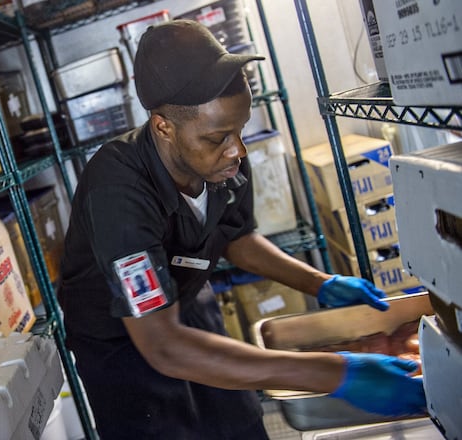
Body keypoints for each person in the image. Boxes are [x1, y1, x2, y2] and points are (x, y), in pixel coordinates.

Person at [57, 19, 426, 440]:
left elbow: (235, 237)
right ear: (164, 127)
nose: (238, 150)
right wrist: (336, 372)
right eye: (217, 137)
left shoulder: (223, 156)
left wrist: (320, 283)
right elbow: (163, 345)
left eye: (241, 129)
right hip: (123, 341)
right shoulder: (116, 189)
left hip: (189, 305)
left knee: (242, 423)